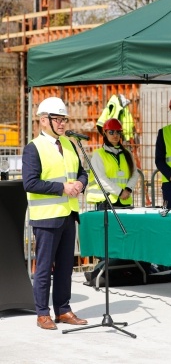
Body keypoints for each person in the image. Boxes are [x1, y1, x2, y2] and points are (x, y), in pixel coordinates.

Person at [22, 97, 89, 330]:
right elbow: (30, 183)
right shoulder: (33, 148)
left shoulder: (70, 144)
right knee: (44, 267)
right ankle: (42, 313)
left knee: (64, 268)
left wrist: (80, 184)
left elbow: (82, 172)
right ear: (43, 120)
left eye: (63, 119)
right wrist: (63, 187)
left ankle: (63, 309)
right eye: (57, 119)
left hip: (68, 215)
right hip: (47, 217)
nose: (61, 124)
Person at [86, 118, 139, 209]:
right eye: (111, 132)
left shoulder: (127, 154)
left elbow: (135, 173)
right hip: (105, 201)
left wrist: (128, 189)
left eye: (118, 132)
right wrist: (120, 192)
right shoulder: (98, 155)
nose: (115, 135)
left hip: (124, 201)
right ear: (105, 133)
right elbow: (101, 179)